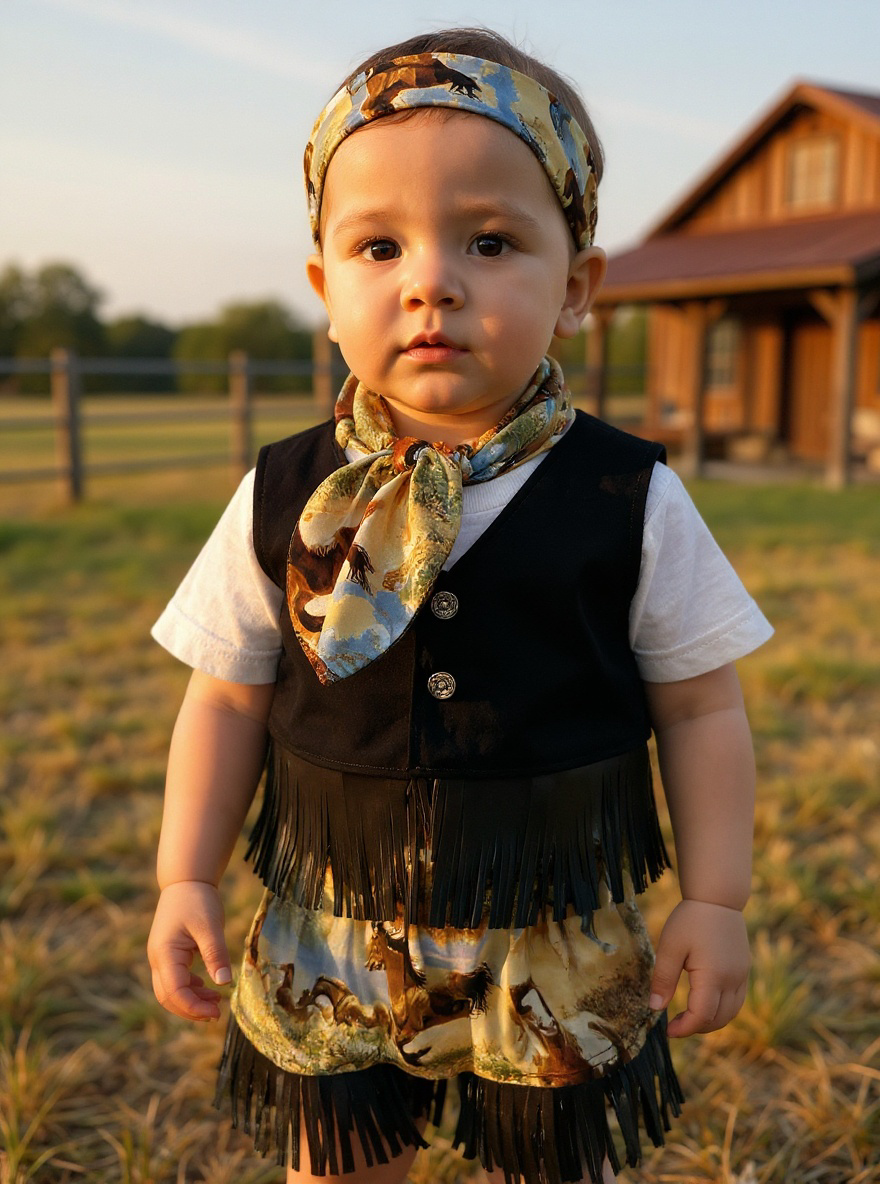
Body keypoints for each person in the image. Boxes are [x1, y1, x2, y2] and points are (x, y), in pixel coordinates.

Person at [147, 27, 773, 1184]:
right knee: (337, 1160)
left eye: (491, 240)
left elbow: (698, 708)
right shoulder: (284, 492)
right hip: (331, 916)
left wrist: (717, 895)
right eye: (380, 245)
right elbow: (227, 697)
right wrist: (185, 872)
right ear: (327, 287)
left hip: (557, 919)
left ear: (575, 286)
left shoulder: (626, 492)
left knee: (552, 1162)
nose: (431, 279)